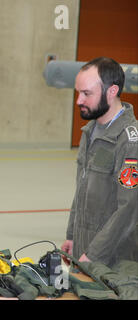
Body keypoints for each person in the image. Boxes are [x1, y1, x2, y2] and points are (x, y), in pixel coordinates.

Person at [61, 57, 138, 268]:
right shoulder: (90, 132)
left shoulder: (130, 141)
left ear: (111, 92)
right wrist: (72, 235)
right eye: (78, 92)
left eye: (86, 93)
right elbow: (82, 190)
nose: (78, 100)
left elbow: (129, 209)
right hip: (85, 250)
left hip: (113, 260)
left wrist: (95, 254)